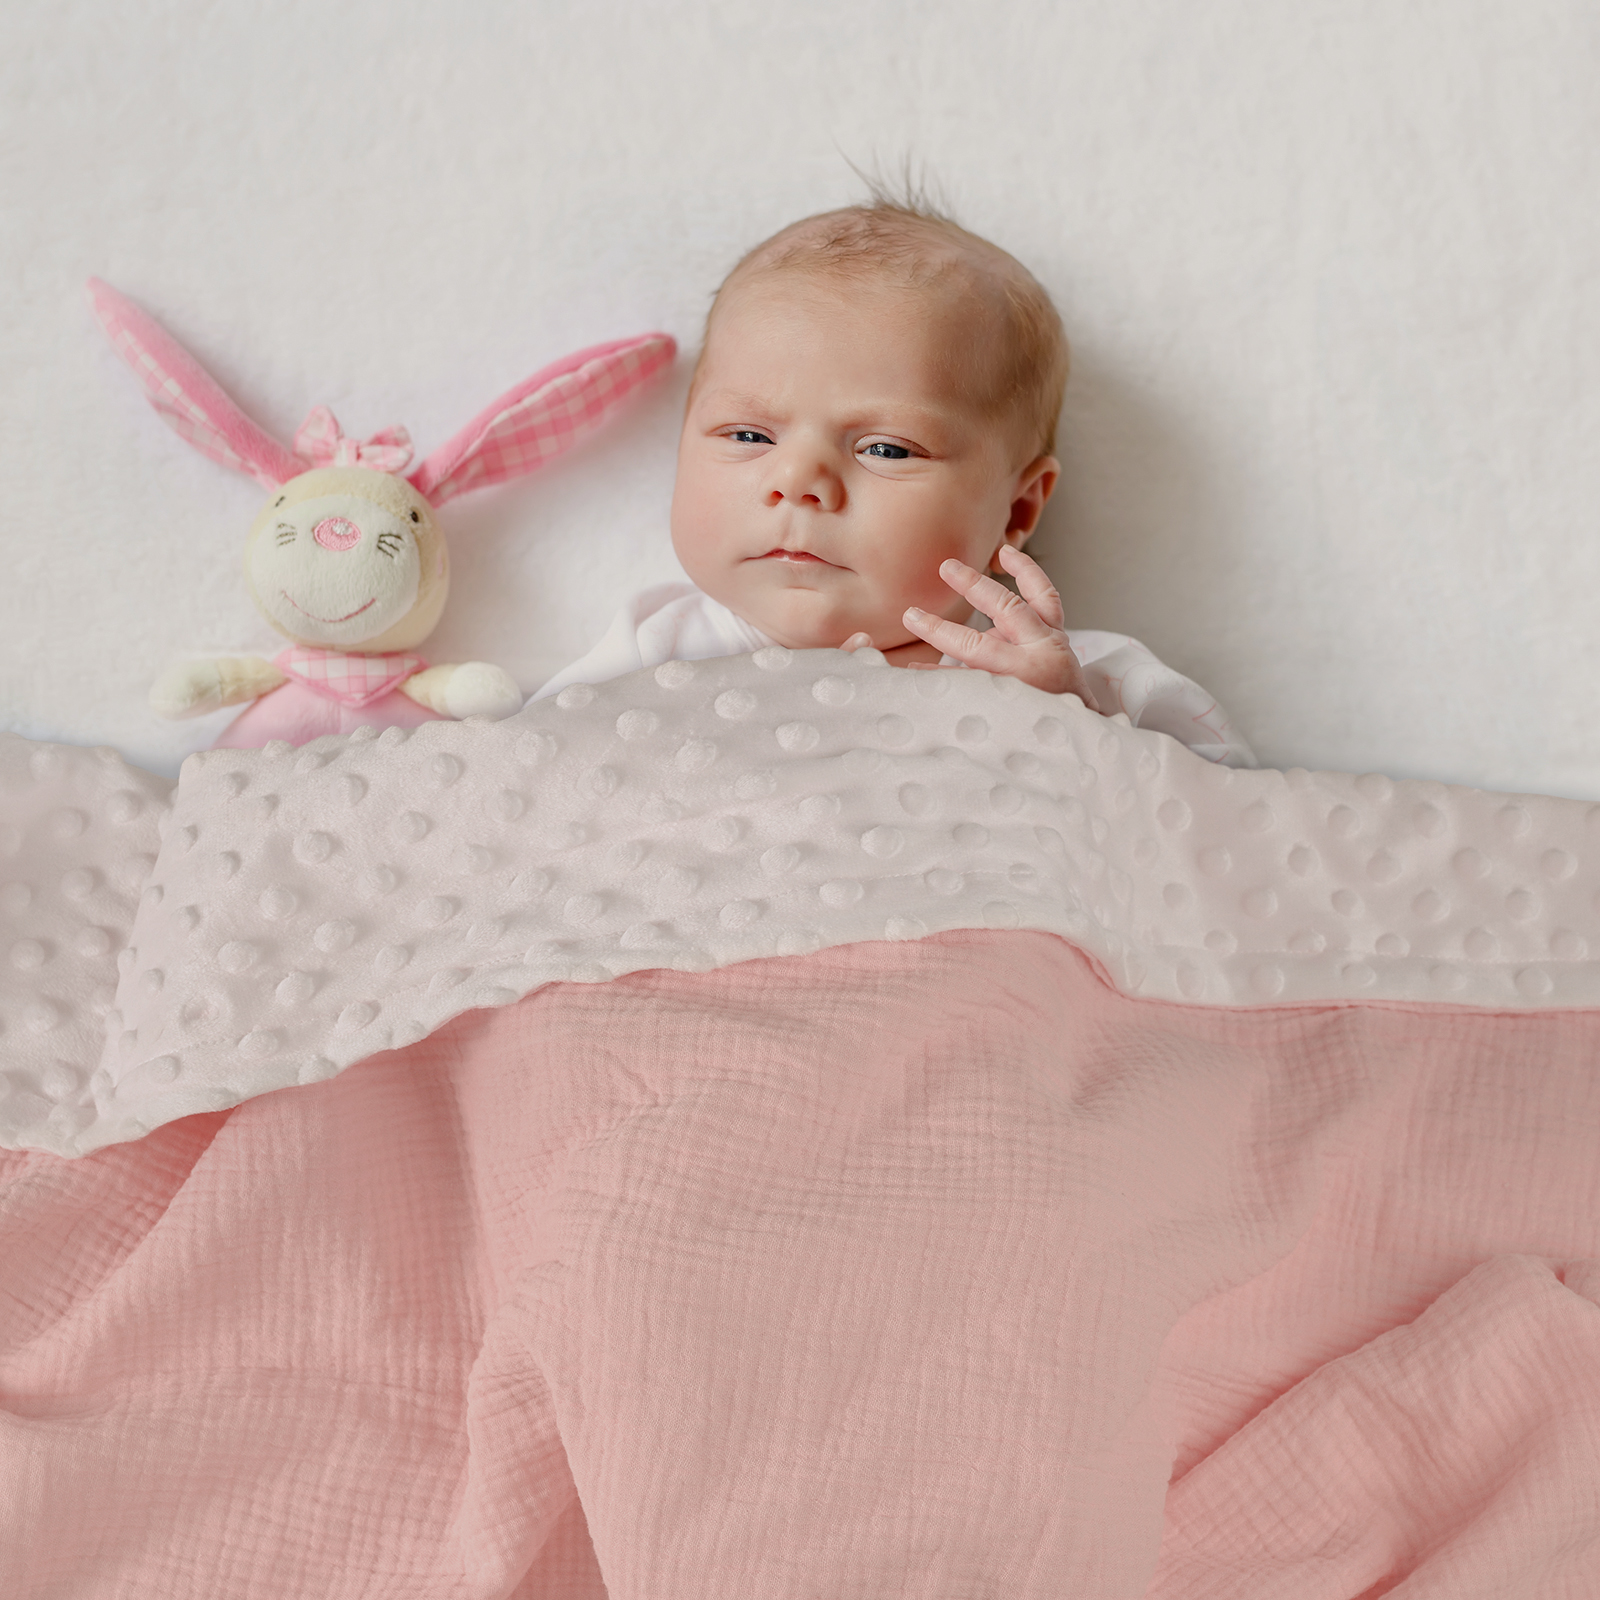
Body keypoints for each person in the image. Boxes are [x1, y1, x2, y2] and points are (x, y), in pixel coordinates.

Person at [532, 196, 1254, 767]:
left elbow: (1239, 830)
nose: (799, 483)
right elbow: (519, 793)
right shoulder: (656, 657)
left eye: (886, 449)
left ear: (1017, 508)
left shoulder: (1080, 680)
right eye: (749, 436)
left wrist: (1072, 730)